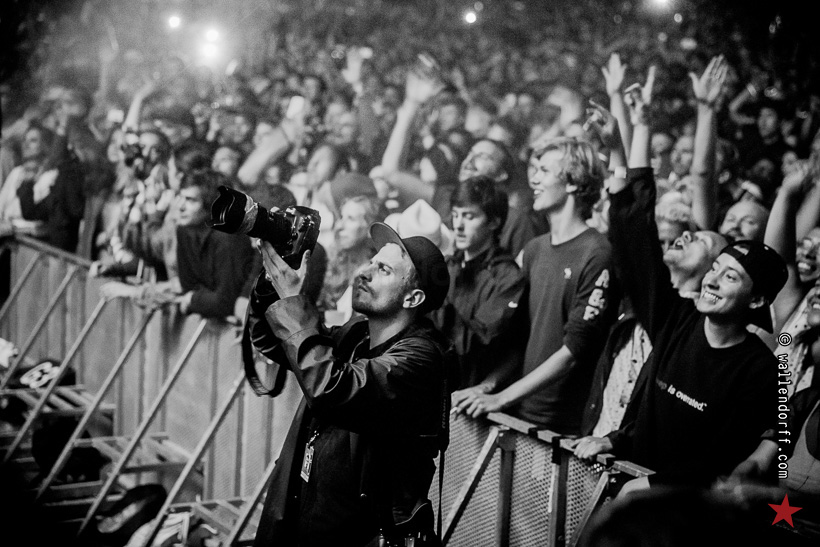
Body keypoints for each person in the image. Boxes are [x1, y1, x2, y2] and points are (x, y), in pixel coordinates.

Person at [571, 66, 789, 491]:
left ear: (757, 300)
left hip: (682, 514)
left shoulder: (761, 370)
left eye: (731, 276)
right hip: (631, 491)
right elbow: (634, 234)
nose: (713, 280)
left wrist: (653, 487)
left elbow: (724, 460)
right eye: (716, 269)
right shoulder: (678, 320)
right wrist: (616, 441)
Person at [247, 221, 452, 546]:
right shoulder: (356, 336)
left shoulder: (420, 359)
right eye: (371, 261)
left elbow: (329, 387)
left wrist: (293, 301)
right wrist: (271, 285)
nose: (363, 272)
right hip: (309, 517)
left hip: (362, 535)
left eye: (383, 269)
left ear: (413, 297)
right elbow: (278, 343)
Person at [452, 138, 616, 436]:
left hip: (563, 424)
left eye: (544, 171)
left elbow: (574, 351)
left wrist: (501, 397)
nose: (534, 180)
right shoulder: (535, 249)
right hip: (519, 412)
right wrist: (489, 386)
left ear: (572, 181)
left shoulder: (596, 252)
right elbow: (519, 337)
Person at [436, 175, 526, 393]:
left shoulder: (508, 278)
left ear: (494, 222)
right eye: (455, 215)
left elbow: (472, 346)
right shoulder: (448, 266)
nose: (458, 225)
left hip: (474, 395)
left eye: (469, 216)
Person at [175, 169, 255, 318]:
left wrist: (193, 299)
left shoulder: (228, 237)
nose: (180, 206)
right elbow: (188, 287)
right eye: (179, 197)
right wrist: (197, 298)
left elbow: (225, 302)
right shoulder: (184, 230)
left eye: (191, 200)